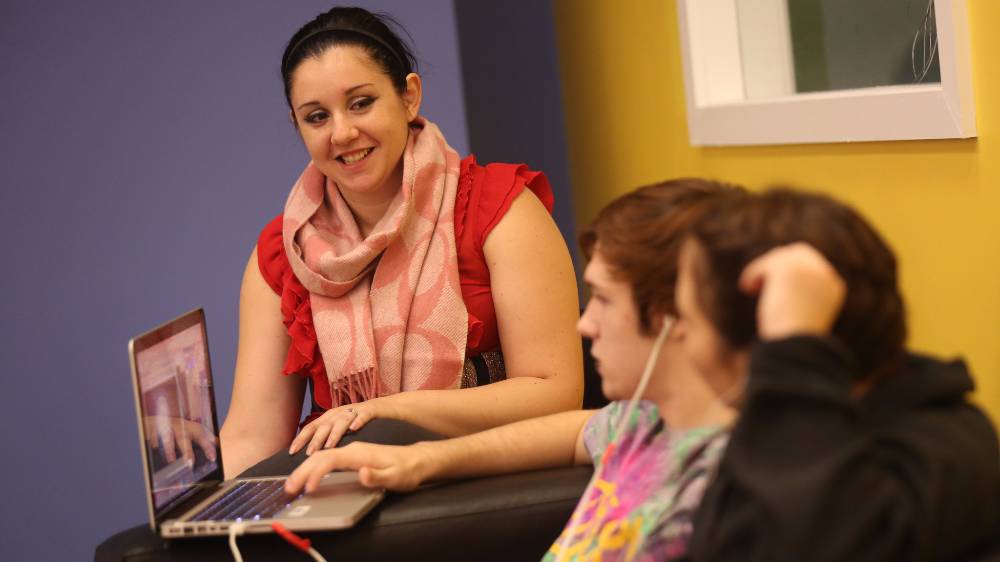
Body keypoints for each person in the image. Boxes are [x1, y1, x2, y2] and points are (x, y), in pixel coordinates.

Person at [285, 179, 741, 562]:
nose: (586, 324)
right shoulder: (642, 425)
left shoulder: (732, 476)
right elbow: (571, 432)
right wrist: (419, 460)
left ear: (668, 318)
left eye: (604, 300)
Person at [219, 7, 583, 478]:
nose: (342, 133)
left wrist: (392, 412)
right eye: (316, 117)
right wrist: (198, 510)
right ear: (297, 126)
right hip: (348, 490)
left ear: (409, 96)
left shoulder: (499, 210)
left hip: (487, 483)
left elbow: (555, 391)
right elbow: (252, 436)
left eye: (361, 103)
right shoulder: (283, 251)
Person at [671, 188, 1000, 562]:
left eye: (689, 319)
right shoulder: (776, 431)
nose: (679, 334)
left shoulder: (945, 450)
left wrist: (792, 347)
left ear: (761, 343)